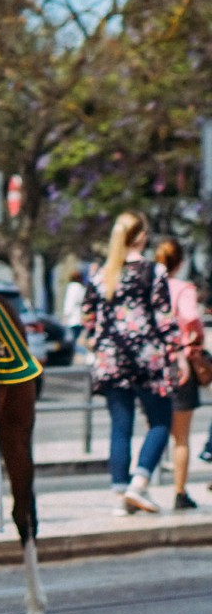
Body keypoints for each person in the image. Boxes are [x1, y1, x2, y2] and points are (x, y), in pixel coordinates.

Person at [81, 211, 179, 515]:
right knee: (161, 420)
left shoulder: (101, 275)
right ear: (139, 236)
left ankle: (120, 496)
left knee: (120, 426)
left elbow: (87, 318)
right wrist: (175, 355)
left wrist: (98, 344)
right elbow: (164, 318)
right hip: (145, 358)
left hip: (111, 359)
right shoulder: (153, 272)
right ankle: (140, 482)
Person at [156, 239, 203, 510]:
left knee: (156, 427)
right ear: (181, 262)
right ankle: (179, 491)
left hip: (152, 365)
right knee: (181, 436)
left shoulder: (148, 287)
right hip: (178, 364)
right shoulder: (183, 289)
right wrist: (195, 337)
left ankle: (136, 484)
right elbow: (190, 316)